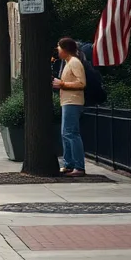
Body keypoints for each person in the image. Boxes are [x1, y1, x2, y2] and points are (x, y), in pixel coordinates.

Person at [52, 37, 87, 176]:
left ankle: (79, 166)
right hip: (67, 102)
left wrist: (62, 84)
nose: (58, 50)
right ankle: (69, 164)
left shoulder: (74, 63)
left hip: (73, 102)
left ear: (65, 49)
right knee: (66, 133)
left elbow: (81, 83)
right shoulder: (68, 63)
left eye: (59, 48)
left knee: (71, 134)